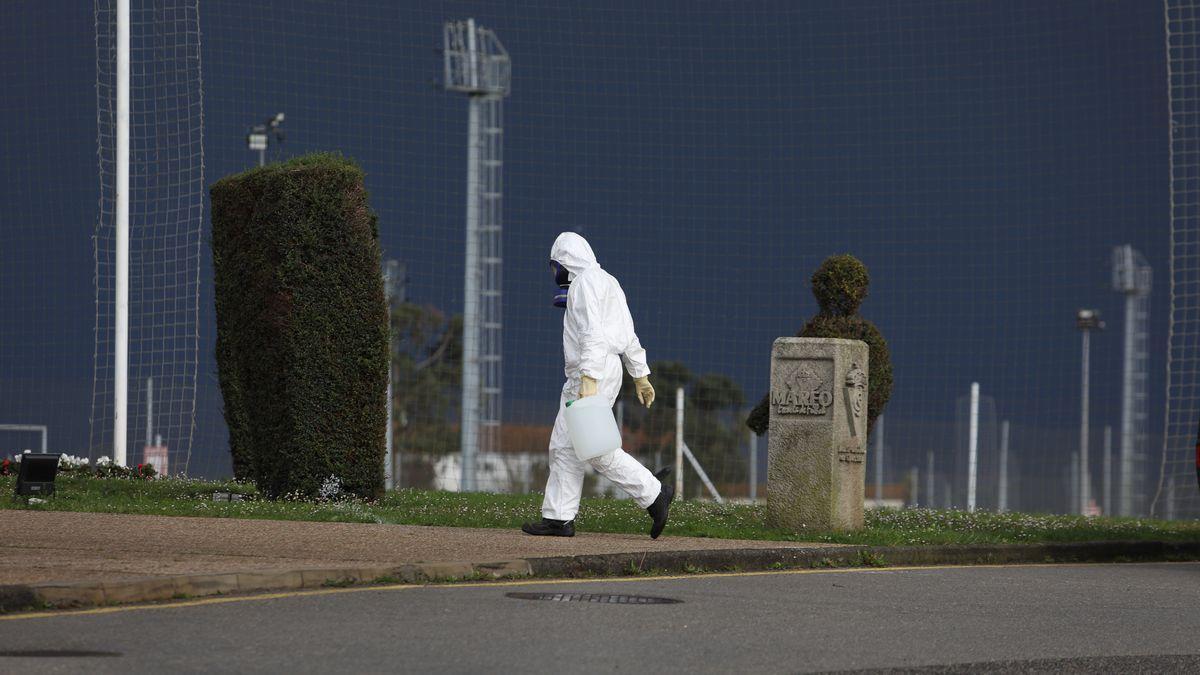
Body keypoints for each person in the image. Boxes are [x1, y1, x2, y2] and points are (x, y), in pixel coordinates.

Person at [522, 232, 674, 538]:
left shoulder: (582, 285)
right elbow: (627, 333)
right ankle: (558, 518)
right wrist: (640, 375)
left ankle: (654, 494)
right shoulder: (608, 281)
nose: (555, 274)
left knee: (595, 449)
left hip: (590, 373)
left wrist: (588, 379)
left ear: (565, 262)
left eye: (555, 266)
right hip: (604, 368)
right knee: (565, 446)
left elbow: (591, 333)